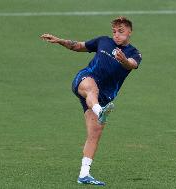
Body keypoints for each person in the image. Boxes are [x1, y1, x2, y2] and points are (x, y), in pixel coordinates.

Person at [40, 16, 142, 185]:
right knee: (91, 88)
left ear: (130, 32)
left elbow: (132, 64)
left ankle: (84, 174)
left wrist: (123, 60)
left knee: (94, 134)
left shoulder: (133, 53)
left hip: (105, 96)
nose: (116, 34)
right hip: (85, 79)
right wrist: (59, 40)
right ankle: (99, 111)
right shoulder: (103, 41)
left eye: (121, 31)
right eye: (114, 31)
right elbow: (79, 46)